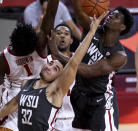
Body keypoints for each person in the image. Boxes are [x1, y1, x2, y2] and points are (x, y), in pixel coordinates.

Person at [0, 13, 106, 131]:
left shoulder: (54, 91)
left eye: (55, 69)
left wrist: (91, 32)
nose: (50, 67)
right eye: (50, 63)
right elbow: (13, 105)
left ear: (59, 77)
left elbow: (74, 62)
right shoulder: (26, 83)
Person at [51, 0, 134, 130]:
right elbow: (79, 13)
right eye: (112, 13)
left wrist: (59, 54)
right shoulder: (92, 28)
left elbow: (89, 70)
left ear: (122, 27)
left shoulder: (119, 55)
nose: (111, 15)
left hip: (100, 101)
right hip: (79, 95)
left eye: (116, 16)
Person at [0, 0, 60, 130]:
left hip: (27, 99)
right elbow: (50, 13)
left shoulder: (3, 58)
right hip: (25, 102)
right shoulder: (40, 43)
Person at [47, 23, 75, 131]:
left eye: (66, 34)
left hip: (75, 119)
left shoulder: (78, 60)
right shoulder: (45, 62)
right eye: (58, 33)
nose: (62, 36)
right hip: (52, 120)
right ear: (53, 38)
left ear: (71, 40)